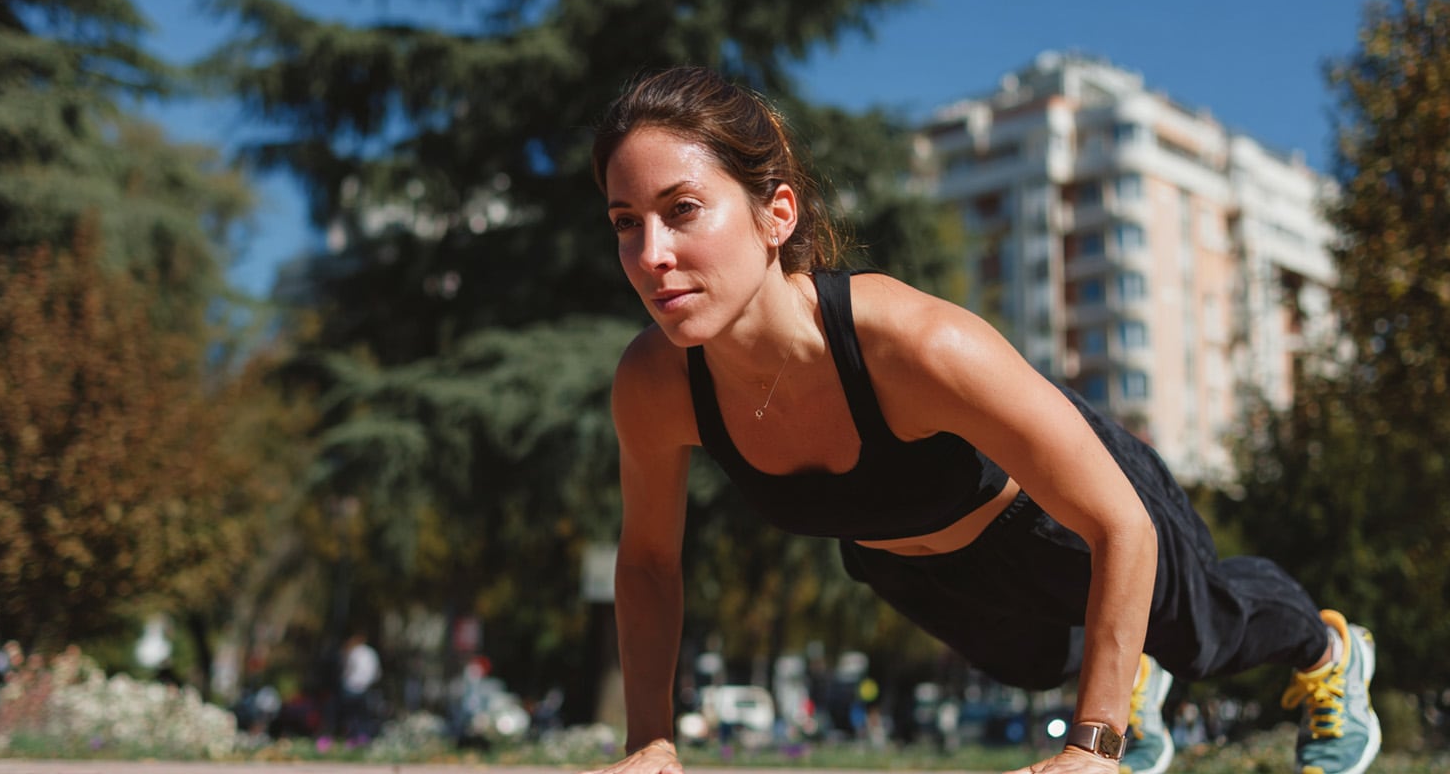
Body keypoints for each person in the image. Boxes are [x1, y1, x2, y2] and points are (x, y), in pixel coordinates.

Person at [585, 66, 1380, 774]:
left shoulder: (917, 345)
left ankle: (1329, 652)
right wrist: (650, 741)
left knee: (1205, 636)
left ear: (777, 214)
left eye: (682, 209)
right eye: (626, 221)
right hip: (915, 568)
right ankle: (1125, 673)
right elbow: (650, 563)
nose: (651, 253)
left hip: (1061, 519)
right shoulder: (656, 384)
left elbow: (1120, 528)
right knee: (1037, 665)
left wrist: (1092, 745)